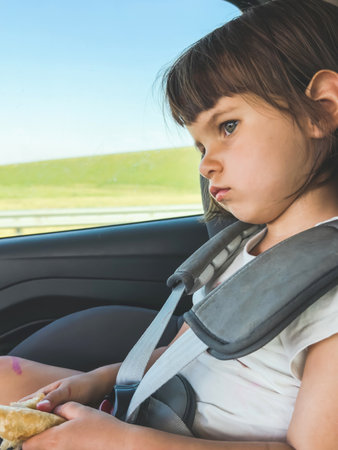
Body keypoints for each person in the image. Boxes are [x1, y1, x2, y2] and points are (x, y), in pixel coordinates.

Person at [0, 0, 337, 448]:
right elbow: (190, 351)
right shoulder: (240, 247)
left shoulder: (328, 289)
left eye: (228, 125)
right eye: (199, 145)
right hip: (154, 410)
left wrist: (122, 443)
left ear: (323, 108)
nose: (206, 165)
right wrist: (98, 381)